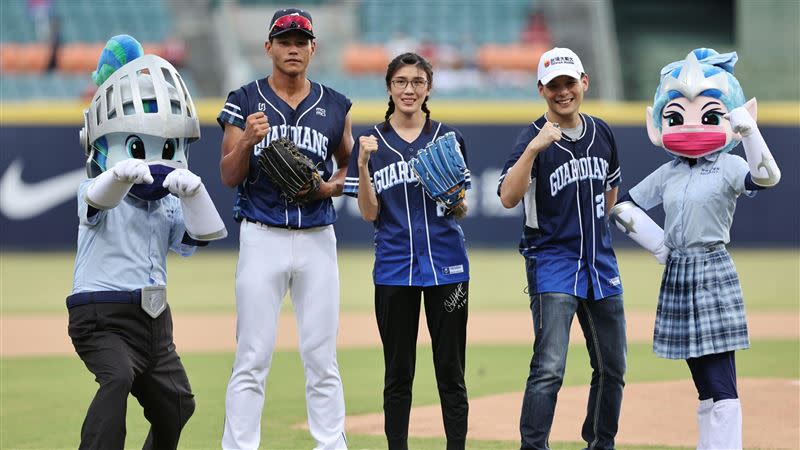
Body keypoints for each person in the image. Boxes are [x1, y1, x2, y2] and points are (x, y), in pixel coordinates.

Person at [609, 48, 781, 450]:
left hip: (712, 267)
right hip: (678, 271)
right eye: (675, 115)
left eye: (707, 114)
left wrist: (749, 131)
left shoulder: (729, 165)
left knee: (721, 378)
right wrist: (659, 247)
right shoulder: (669, 172)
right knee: (702, 379)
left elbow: (767, 177)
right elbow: (622, 207)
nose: (689, 125)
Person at [68, 35, 227, 450]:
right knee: (117, 377)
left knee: (178, 404)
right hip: (101, 315)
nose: (157, 158)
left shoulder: (169, 204)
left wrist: (194, 193)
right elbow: (96, 199)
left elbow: (203, 236)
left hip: (155, 319)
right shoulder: (96, 186)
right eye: (139, 144)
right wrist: (120, 174)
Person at [217, 8, 353, 450]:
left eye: (301, 40)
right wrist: (247, 143)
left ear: (313, 48)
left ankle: (331, 445)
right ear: (268, 47)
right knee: (251, 357)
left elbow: (347, 164)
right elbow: (228, 174)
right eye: (284, 40)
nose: (293, 47)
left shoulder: (335, 104)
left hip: (317, 238)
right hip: (262, 235)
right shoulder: (244, 99)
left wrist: (328, 187)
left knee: (322, 358)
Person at [497, 47, 626, 450]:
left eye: (569, 82)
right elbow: (506, 196)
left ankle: (600, 443)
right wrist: (535, 148)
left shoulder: (601, 131)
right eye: (554, 85)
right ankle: (533, 446)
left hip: (601, 265)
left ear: (584, 82)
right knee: (550, 368)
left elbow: (610, 192)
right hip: (553, 263)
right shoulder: (531, 136)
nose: (563, 91)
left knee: (613, 367)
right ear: (542, 89)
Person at [343, 52, 471, 450]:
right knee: (398, 372)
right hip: (394, 270)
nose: (409, 89)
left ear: (428, 88)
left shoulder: (448, 139)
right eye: (401, 81)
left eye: (417, 81)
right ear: (389, 88)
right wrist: (362, 165)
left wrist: (452, 196)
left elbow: (460, 208)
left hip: (447, 268)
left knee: (450, 370)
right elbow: (368, 213)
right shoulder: (371, 144)